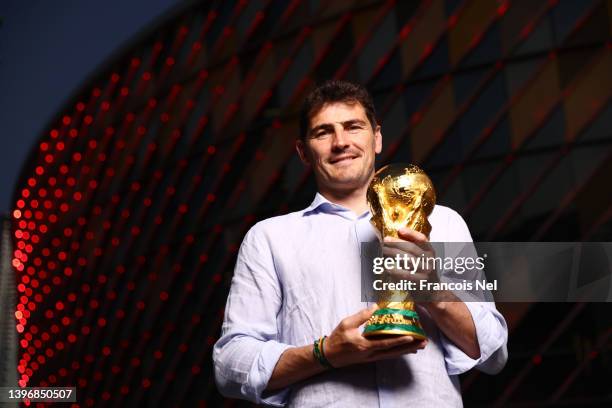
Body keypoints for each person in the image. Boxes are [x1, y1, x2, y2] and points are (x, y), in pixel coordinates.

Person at [213, 80, 508, 407]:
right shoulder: (269, 238)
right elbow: (230, 366)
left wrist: (433, 290)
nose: (341, 142)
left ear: (377, 137)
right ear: (303, 152)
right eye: (323, 132)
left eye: (353, 127)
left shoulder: (441, 222)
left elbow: (493, 351)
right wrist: (326, 353)